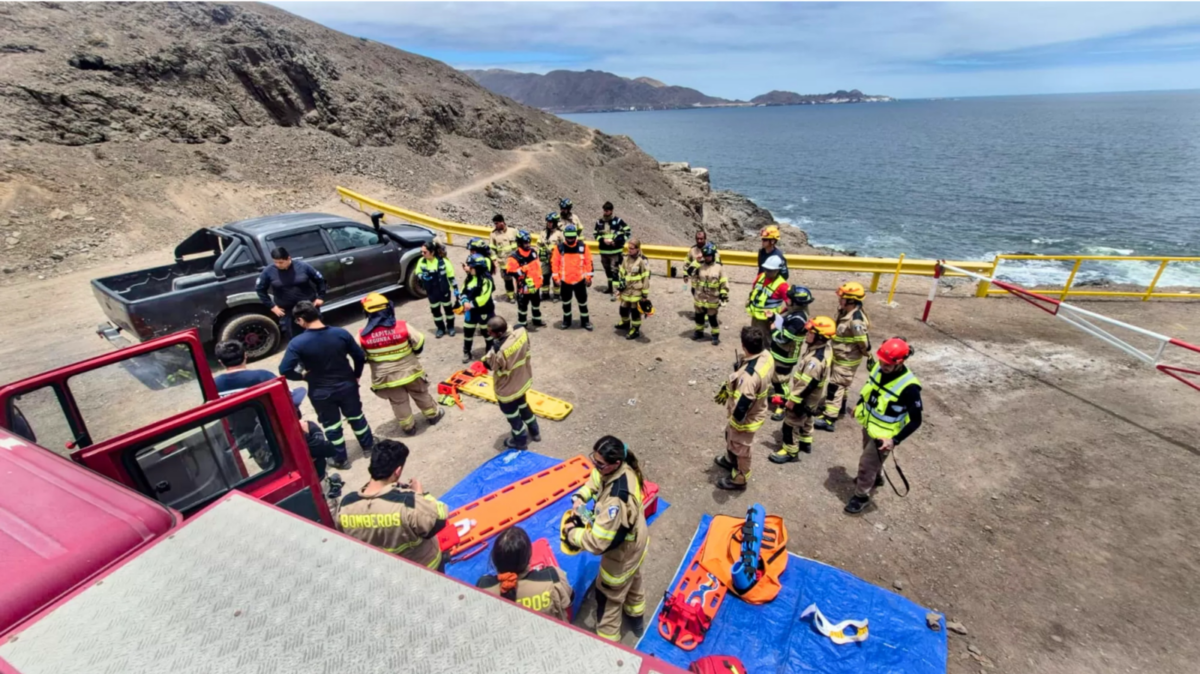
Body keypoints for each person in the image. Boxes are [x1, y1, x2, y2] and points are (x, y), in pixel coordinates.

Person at [563, 436, 649, 641]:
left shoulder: (615, 501)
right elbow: (596, 479)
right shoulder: (624, 468)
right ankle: (636, 618)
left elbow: (598, 542)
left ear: (614, 464)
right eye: (593, 458)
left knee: (608, 598)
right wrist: (581, 497)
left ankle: (608, 643)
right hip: (637, 541)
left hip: (621, 554)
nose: (595, 465)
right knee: (634, 579)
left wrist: (571, 534)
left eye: (599, 463)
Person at [336, 439, 450, 571]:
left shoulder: (346, 505)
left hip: (382, 573)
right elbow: (439, 519)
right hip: (424, 569)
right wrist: (420, 494)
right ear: (397, 471)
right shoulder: (408, 504)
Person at [279, 301, 375, 457]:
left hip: (320, 391)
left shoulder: (297, 343)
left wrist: (302, 376)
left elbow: (285, 370)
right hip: (347, 385)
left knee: (332, 425)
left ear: (301, 320)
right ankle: (368, 447)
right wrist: (356, 375)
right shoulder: (340, 333)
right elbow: (359, 356)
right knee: (356, 417)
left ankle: (340, 458)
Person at [845, 338, 922, 515]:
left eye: (887, 363)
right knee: (870, 459)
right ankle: (876, 477)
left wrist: (894, 440)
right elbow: (869, 388)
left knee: (866, 463)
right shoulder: (879, 369)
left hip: (885, 436)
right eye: (881, 361)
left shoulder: (910, 388)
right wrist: (859, 403)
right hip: (870, 425)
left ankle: (861, 496)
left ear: (900, 363)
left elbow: (916, 420)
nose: (882, 365)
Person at [359, 293, 445, 436]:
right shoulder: (402, 326)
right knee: (420, 393)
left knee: (399, 402)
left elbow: (359, 355)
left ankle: (408, 428)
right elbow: (419, 341)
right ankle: (433, 416)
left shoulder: (362, 335)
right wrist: (413, 353)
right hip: (411, 372)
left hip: (386, 378)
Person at [714, 326, 774, 491]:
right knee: (730, 437)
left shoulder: (749, 378)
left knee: (741, 447)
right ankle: (731, 461)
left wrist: (735, 421)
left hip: (746, 419)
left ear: (743, 346)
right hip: (757, 409)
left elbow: (743, 404)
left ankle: (740, 478)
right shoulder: (767, 356)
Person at [770, 316, 835, 464]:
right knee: (808, 418)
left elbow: (806, 384)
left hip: (805, 397)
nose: (807, 334)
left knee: (791, 423)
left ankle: (790, 451)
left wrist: (793, 401)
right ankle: (806, 442)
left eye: (810, 332)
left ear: (819, 337)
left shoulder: (814, 361)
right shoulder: (824, 349)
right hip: (814, 397)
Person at [476, 526, 574, 621]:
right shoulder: (553, 577)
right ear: (529, 558)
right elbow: (569, 599)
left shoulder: (483, 588)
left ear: (494, 559)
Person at [816, 282, 872, 433]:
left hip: (847, 359)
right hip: (840, 356)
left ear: (851, 300)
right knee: (841, 385)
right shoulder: (845, 313)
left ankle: (829, 418)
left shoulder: (856, 320)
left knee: (836, 386)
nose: (839, 300)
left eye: (843, 297)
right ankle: (839, 407)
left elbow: (863, 341)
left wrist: (868, 355)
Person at [483, 315, 540, 449]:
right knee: (524, 406)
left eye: (490, 332)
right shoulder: (521, 331)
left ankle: (520, 441)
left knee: (513, 416)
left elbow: (489, 365)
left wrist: (490, 352)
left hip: (507, 390)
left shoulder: (499, 350)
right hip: (522, 381)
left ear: (500, 333)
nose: (488, 333)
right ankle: (535, 431)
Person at [255, 246, 327, 340]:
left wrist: (320, 297)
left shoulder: (303, 266)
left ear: (289, 258)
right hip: (287, 312)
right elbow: (260, 289)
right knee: (295, 338)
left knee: (318, 335)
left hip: (308, 308)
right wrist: (272, 306)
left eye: (281, 262)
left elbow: (320, 280)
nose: (278, 265)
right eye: (275, 262)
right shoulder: (268, 271)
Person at [768, 285, 815, 421]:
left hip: (785, 355)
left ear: (796, 302)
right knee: (776, 379)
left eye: (789, 298)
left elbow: (784, 337)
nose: (786, 299)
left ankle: (782, 406)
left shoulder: (798, 318)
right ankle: (779, 398)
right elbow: (784, 322)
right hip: (780, 352)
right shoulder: (795, 312)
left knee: (781, 381)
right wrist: (773, 318)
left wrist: (772, 328)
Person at [293, 386, 349, 475]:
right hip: (316, 477)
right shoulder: (303, 428)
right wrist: (308, 433)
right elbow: (326, 450)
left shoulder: (266, 431)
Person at [551, 223, 594, 331]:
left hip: (580, 281)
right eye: (568, 237)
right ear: (565, 236)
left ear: (576, 236)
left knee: (583, 303)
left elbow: (588, 263)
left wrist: (589, 278)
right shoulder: (559, 248)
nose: (570, 239)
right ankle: (566, 321)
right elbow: (554, 264)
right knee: (566, 303)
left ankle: (585, 321)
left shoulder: (583, 247)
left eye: (572, 237)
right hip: (565, 282)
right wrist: (556, 278)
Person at [414, 241, 459, 338]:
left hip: (443, 290)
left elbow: (451, 277)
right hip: (431, 291)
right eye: (421, 252)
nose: (422, 254)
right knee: (435, 311)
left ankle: (450, 327)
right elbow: (417, 271)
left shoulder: (444, 262)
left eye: (424, 252)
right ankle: (440, 329)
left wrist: (456, 290)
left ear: (432, 252)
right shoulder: (421, 261)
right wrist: (422, 276)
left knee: (448, 310)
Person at [505, 230, 546, 330]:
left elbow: (537, 268)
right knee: (522, 307)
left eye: (529, 242)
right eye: (525, 242)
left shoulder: (533, 252)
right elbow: (510, 271)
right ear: (519, 243)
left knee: (536, 304)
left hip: (535, 286)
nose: (528, 244)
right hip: (523, 287)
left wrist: (540, 278)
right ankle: (522, 324)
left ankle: (537, 320)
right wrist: (523, 269)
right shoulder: (514, 257)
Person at [461, 253, 497, 363]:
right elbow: (463, 291)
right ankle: (466, 351)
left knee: (487, 333)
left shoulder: (486, 280)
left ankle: (490, 351)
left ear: (478, 267)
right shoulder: (470, 278)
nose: (469, 269)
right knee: (468, 332)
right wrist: (464, 300)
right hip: (470, 312)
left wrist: (470, 304)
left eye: (471, 267)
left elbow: (484, 298)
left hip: (484, 311)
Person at [691, 242, 728, 345]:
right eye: (706, 256)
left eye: (709, 256)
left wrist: (724, 295)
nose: (707, 258)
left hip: (712, 298)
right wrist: (696, 261)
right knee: (699, 316)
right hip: (700, 297)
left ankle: (715, 335)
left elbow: (724, 281)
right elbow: (690, 272)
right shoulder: (699, 266)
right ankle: (699, 332)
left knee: (712, 318)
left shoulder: (719, 267)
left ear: (713, 255)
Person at [615, 238, 651, 340]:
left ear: (637, 249)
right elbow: (621, 273)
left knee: (635, 312)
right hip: (626, 290)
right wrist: (620, 287)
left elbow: (646, 278)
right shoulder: (626, 258)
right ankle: (625, 323)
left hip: (636, 291)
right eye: (628, 248)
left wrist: (644, 295)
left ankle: (635, 329)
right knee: (623, 309)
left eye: (631, 248)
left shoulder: (642, 261)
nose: (629, 250)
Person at [595, 201, 631, 299]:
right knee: (608, 271)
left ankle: (616, 291)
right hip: (604, 252)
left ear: (611, 211)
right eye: (604, 210)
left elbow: (628, 231)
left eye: (607, 210)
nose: (605, 212)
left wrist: (618, 241)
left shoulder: (618, 221)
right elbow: (596, 235)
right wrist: (603, 240)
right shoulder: (599, 222)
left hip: (615, 252)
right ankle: (610, 288)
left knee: (614, 271)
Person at [746, 256, 789, 338]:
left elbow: (790, 305)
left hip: (767, 320)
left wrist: (778, 317)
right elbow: (754, 290)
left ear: (777, 270)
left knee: (765, 341)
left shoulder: (783, 285)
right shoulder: (761, 276)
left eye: (770, 270)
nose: (766, 272)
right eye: (765, 269)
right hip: (755, 316)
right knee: (754, 339)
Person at [490, 214, 519, 302]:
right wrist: (494, 259)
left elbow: (521, 243)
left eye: (497, 223)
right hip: (503, 263)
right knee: (508, 281)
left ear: (502, 222)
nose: (495, 225)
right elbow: (492, 248)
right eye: (495, 224)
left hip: (516, 262)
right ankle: (511, 296)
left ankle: (520, 294)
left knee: (519, 279)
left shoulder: (513, 231)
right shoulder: (493, 234)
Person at [539, 213, 566, 303]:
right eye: (548, 222)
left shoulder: (559, 233)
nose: (548, 223)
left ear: (555, 223)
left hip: (556, 260)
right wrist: (540, 251)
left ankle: (556, 295)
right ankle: (545, 294)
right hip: (545, 260)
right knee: (545, 277)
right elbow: (538, 244)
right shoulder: (543, 232)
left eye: (550, 222)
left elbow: (564, 246)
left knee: (556, 278)